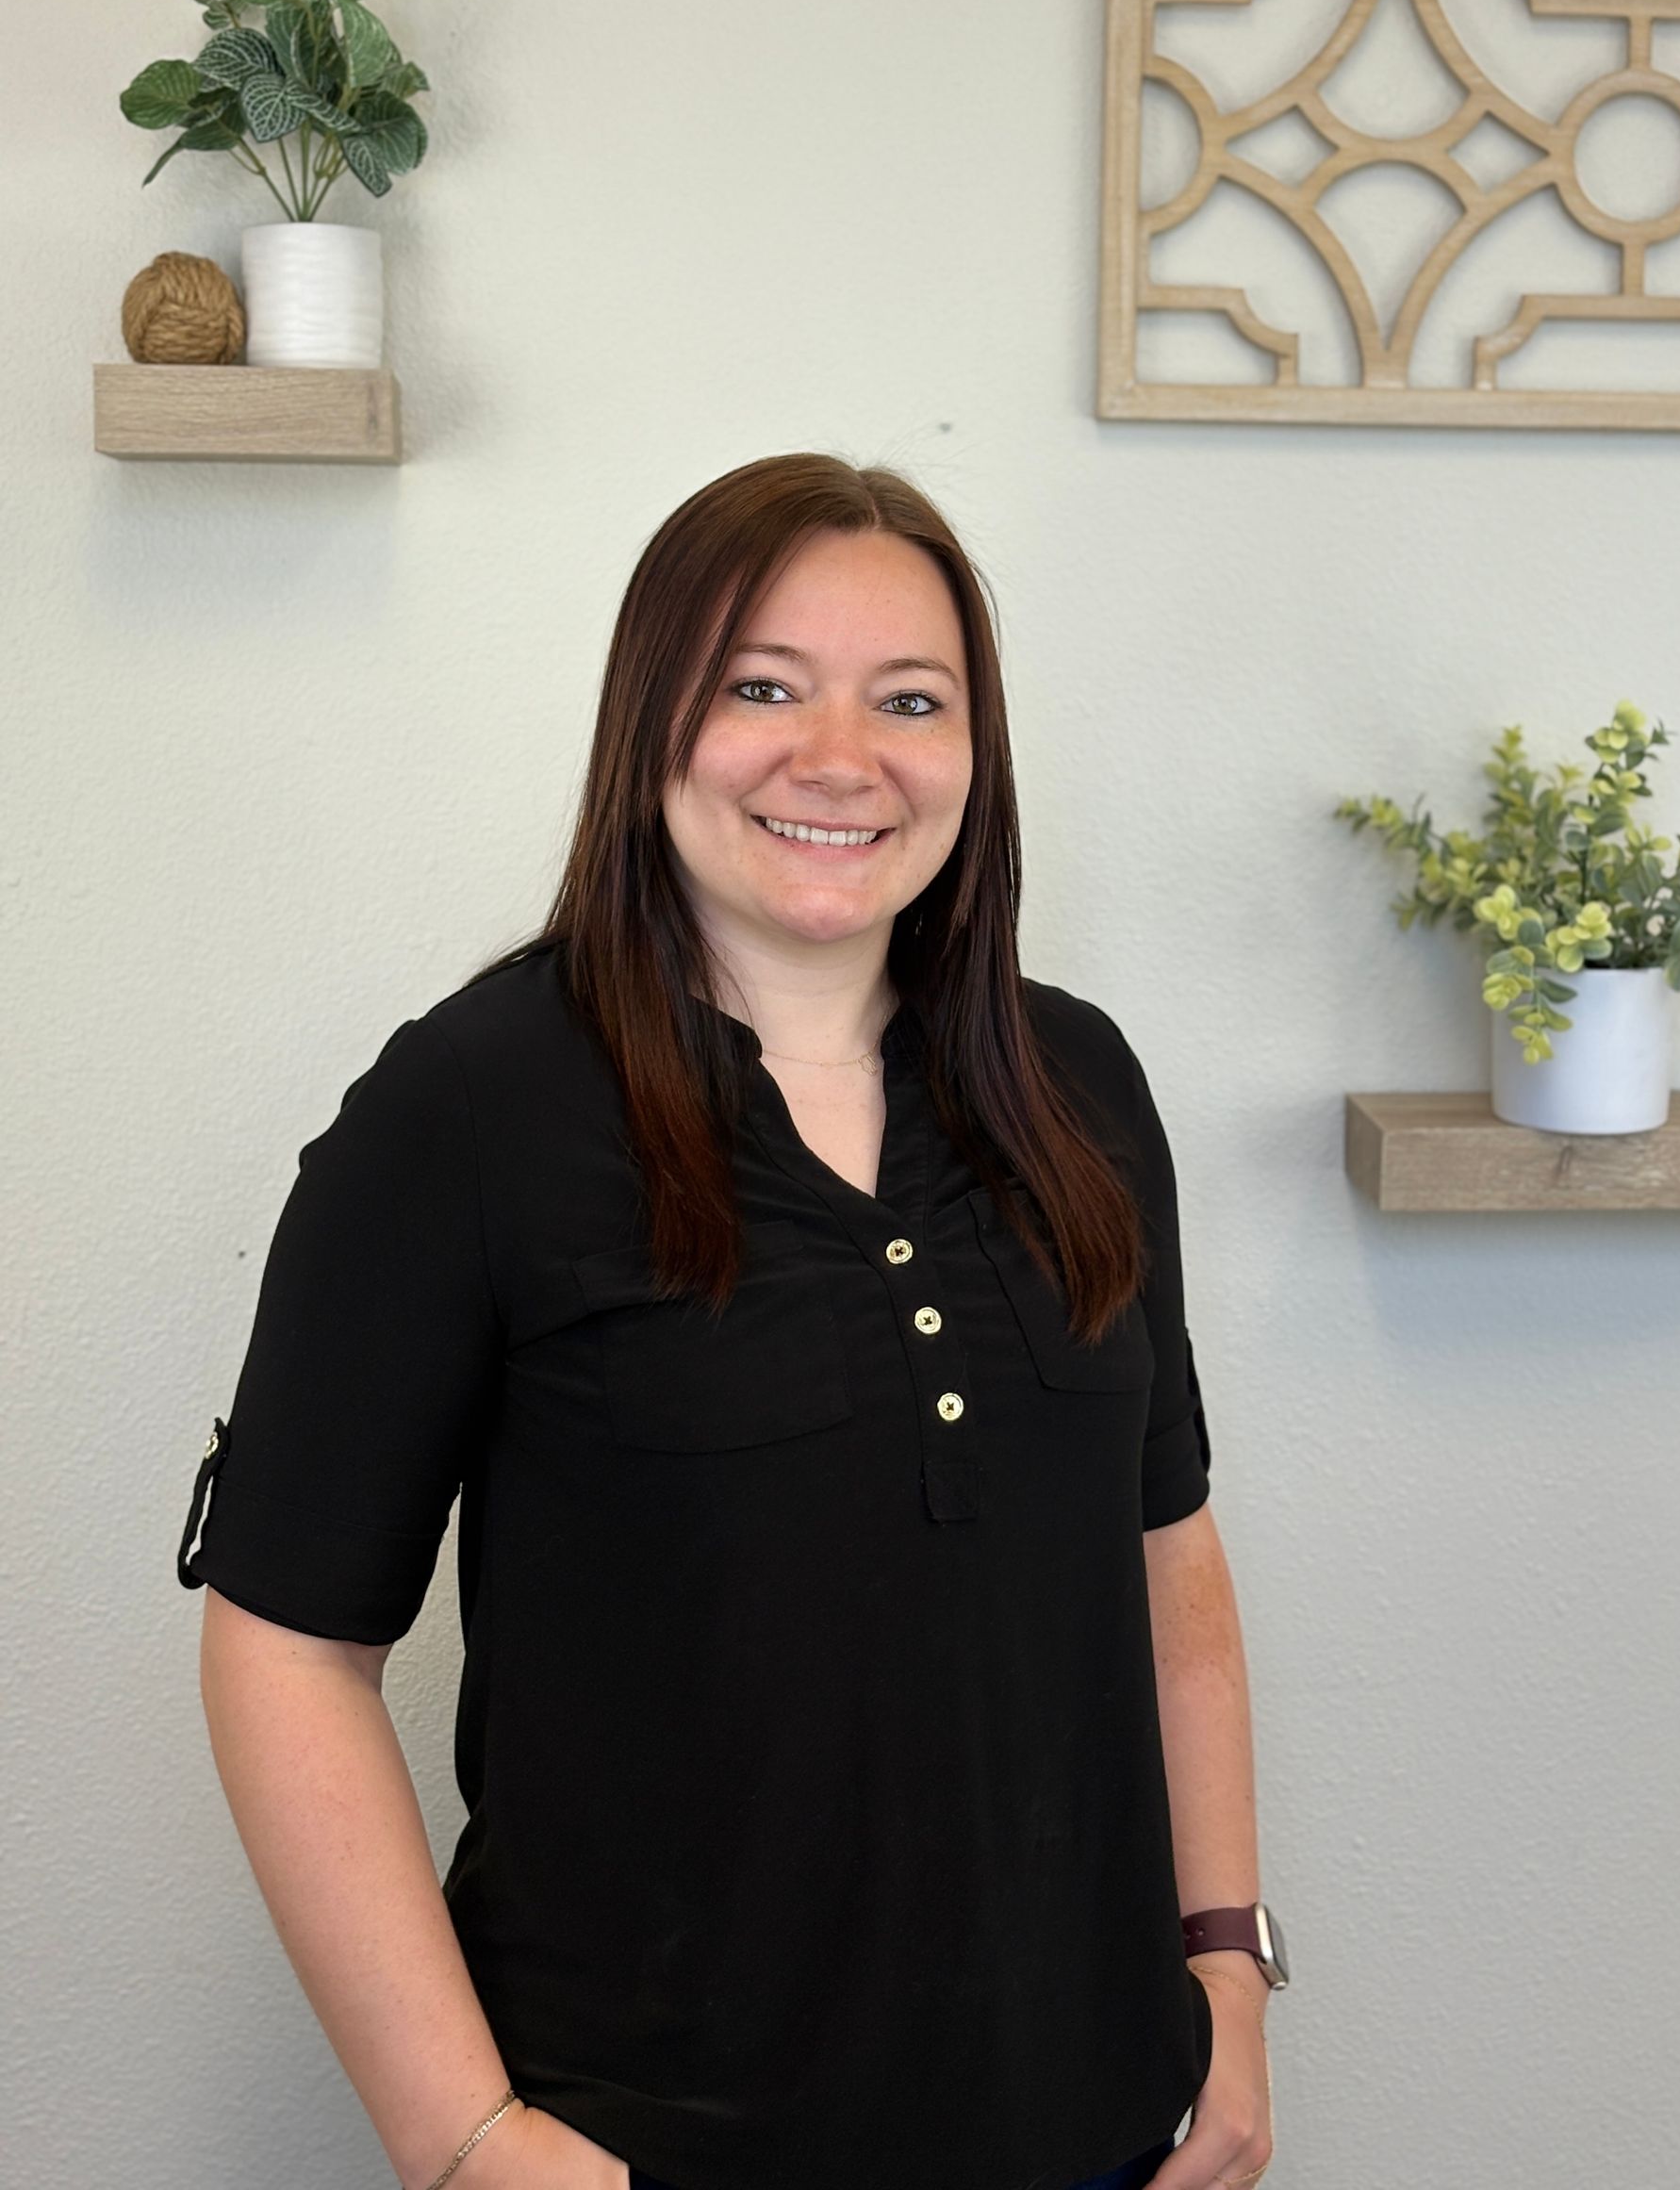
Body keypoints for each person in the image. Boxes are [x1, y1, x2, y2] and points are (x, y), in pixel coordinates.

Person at [176, 451, 1280, 2190]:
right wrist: (464, 2142)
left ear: (973, 758)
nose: (838, 759)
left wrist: (1228, 1958)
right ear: (654, 724)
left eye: (907, 701)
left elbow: (1169, 1548)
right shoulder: (467, 1112)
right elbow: (286, 1643)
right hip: (649, 2148)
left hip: (1098, 2123)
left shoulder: (1079, 1082)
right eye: (763, 686)